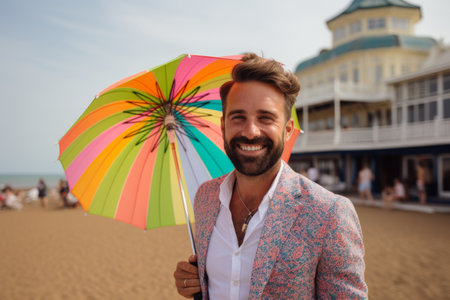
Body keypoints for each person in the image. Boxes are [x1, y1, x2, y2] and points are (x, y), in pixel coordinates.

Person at [173, 53, 367, 299]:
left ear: (287, 130)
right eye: (238, 117)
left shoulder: (330, 213)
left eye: (265, 118)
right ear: (223, 126)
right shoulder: (205, 197)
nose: (250, 131)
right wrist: (192, 280)